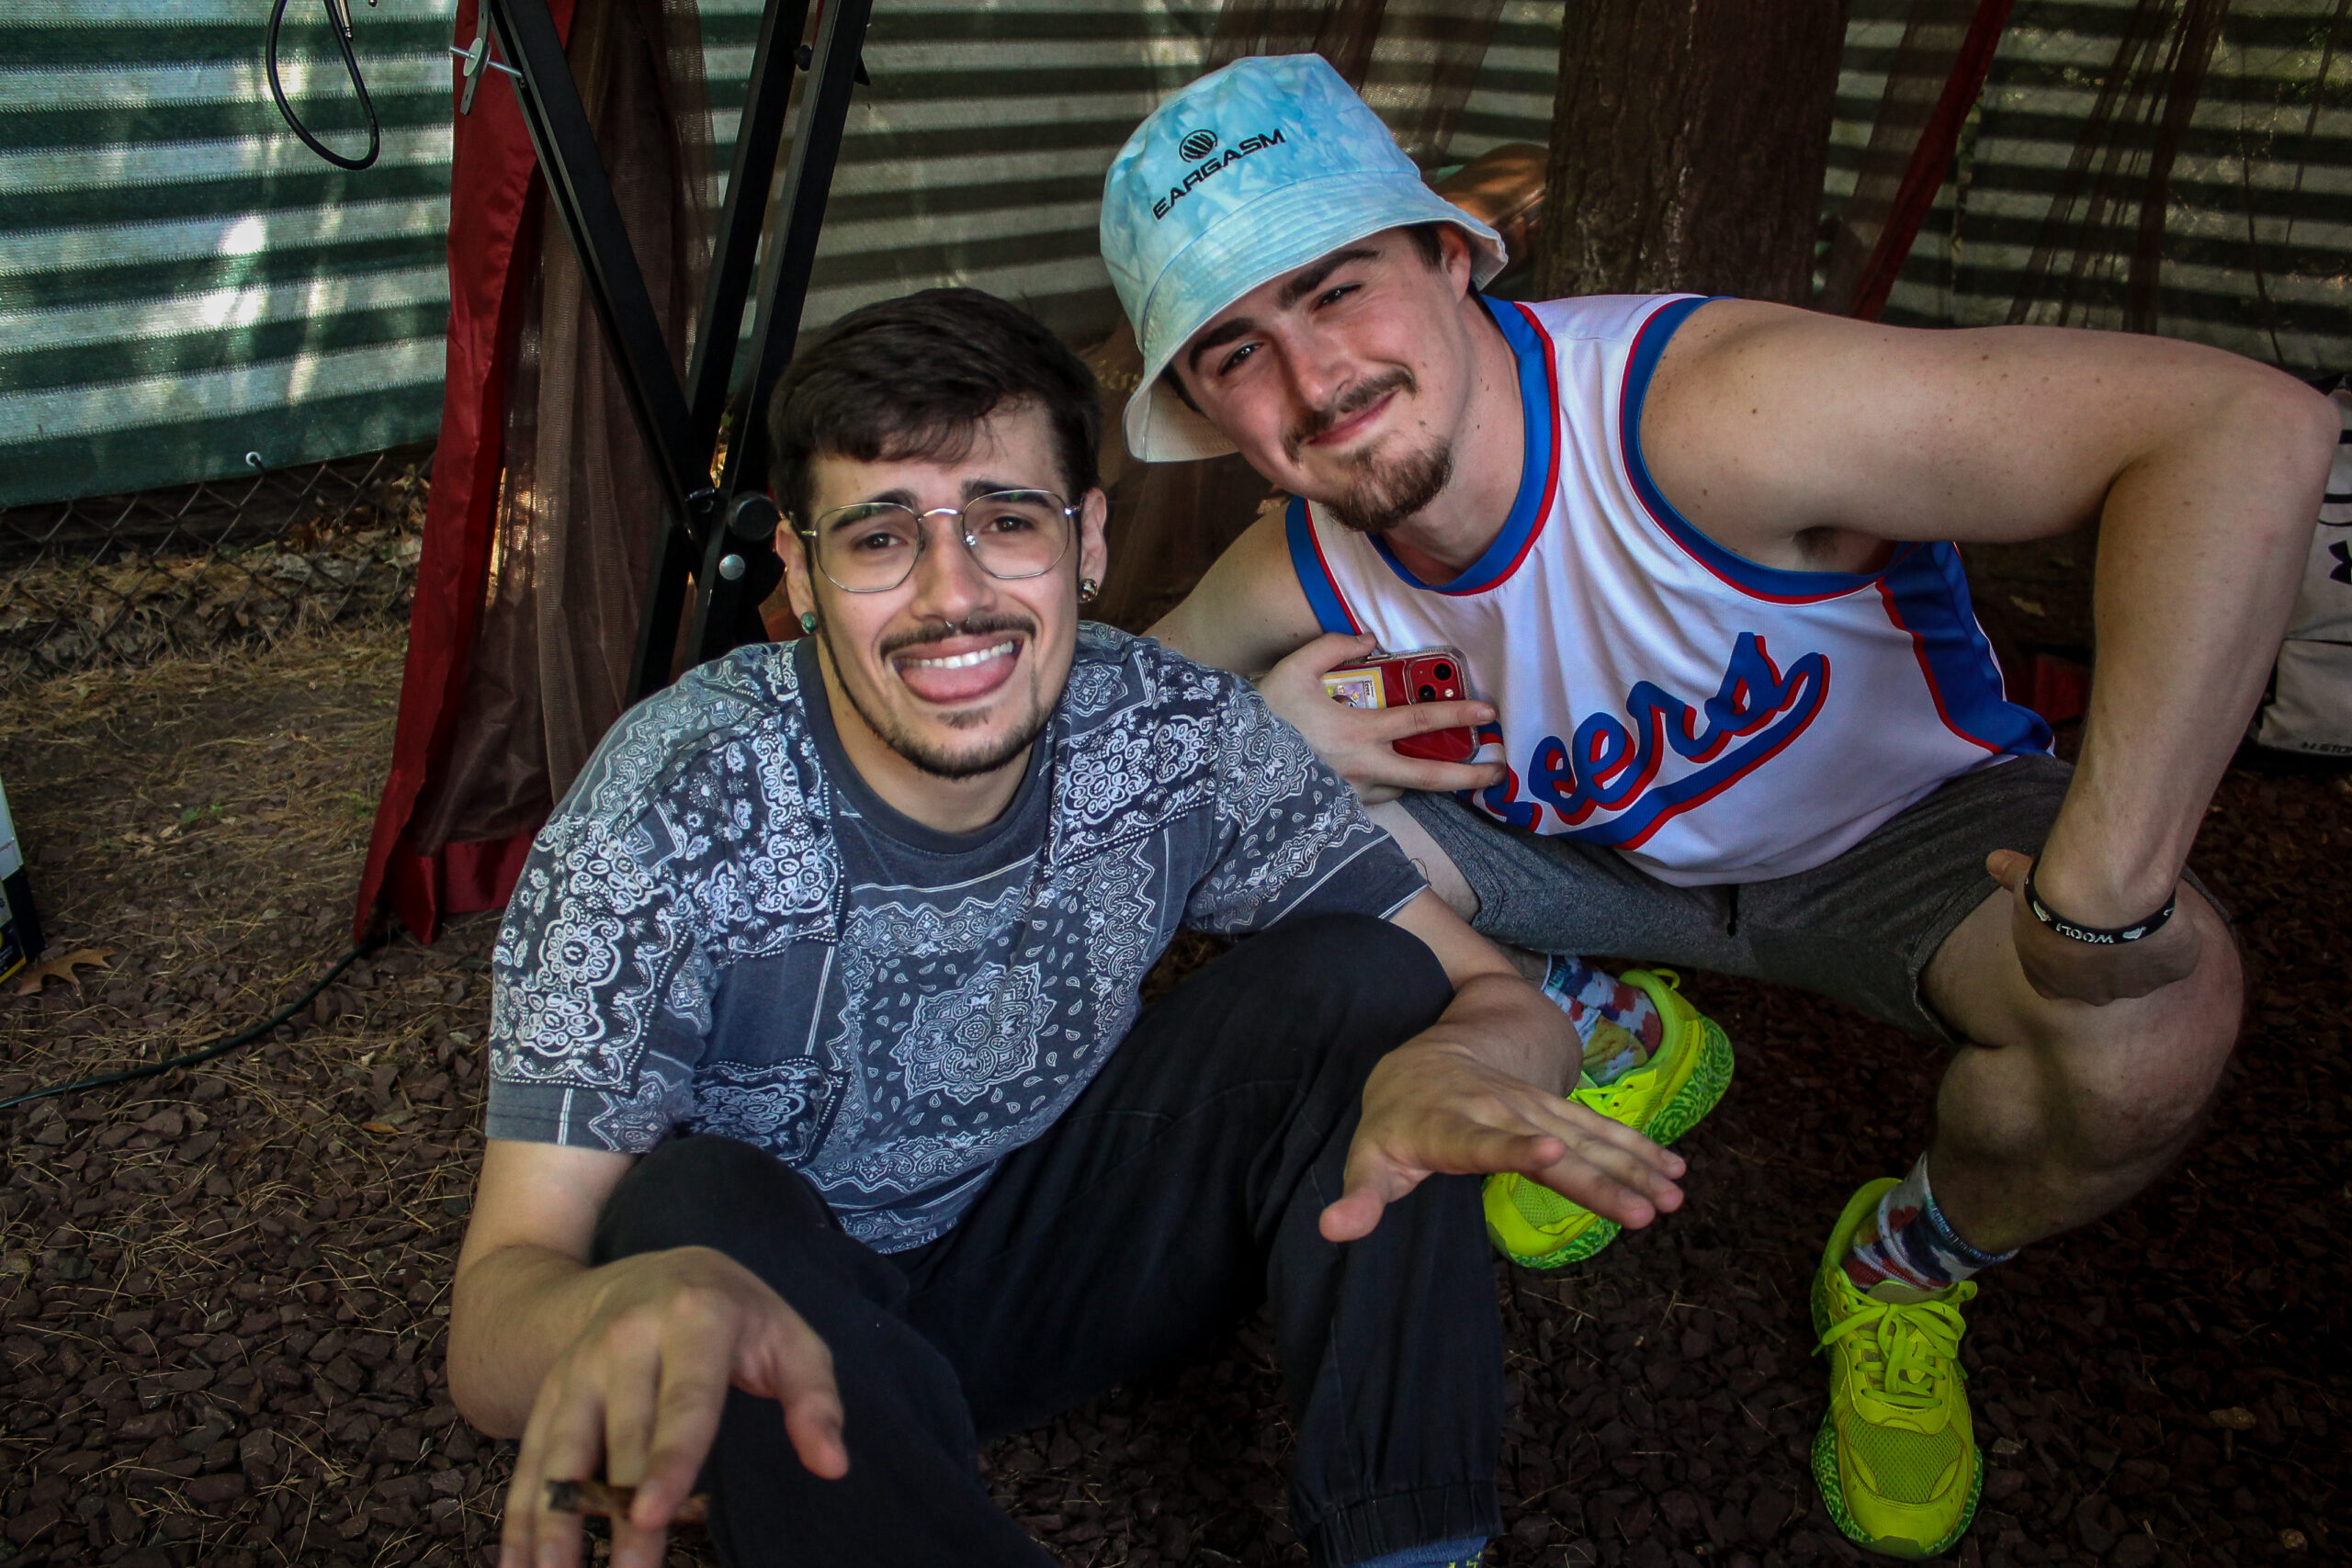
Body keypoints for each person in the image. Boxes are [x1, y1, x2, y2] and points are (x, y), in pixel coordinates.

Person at [1105, 54, 2335, 1560]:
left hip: (1904, 837)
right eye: (1236, 350)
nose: (1315, 384)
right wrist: (1264, 729)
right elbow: (1108, 741)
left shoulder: (1710, 410)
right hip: (1599, 857)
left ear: (1448, 255)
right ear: (1202, 405)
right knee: (1229, 801)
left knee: (2154, 1028)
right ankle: (1612, 1029)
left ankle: (1904, 1262)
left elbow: (2237, 430)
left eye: (1337, 287)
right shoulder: (1298, 558)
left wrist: (2108, 883)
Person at [447, 287, 1688, 1568]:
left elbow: (1500, 997)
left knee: (1371, 983)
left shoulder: (1169, 734)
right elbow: (496, 1317)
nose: (953, 595)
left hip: (1054, 1259)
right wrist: (614, 1323)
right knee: (690, 1207)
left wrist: (1457, 1063)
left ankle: (1411, 1552)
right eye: (879, 538)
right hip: (776, 1331)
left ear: (1087, 541)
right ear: (801, 574)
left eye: (1006, 522)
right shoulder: (669, 813)